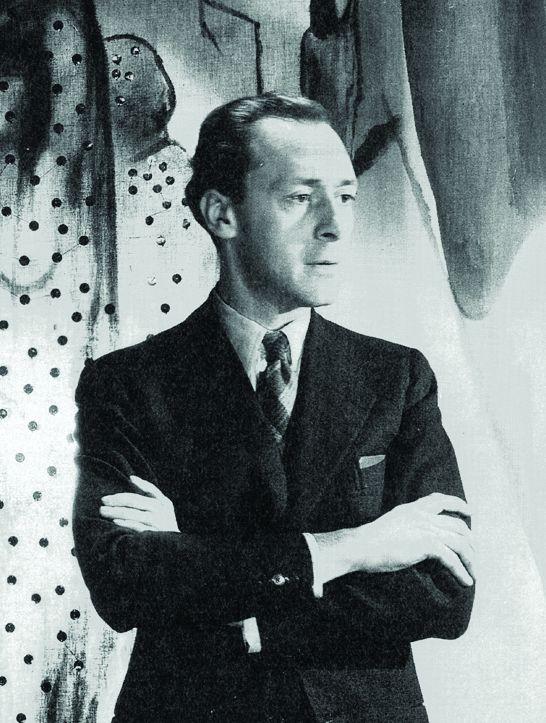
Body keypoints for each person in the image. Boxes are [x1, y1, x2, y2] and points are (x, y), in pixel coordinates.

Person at [72, 93, 475, 722]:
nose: (335, 226)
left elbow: (444, 592)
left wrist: (236, 604)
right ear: (222, 213)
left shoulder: (397, 378)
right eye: (300, 198)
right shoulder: (126, 385)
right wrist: (352, 547)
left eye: (346, 196)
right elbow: (125, 581)